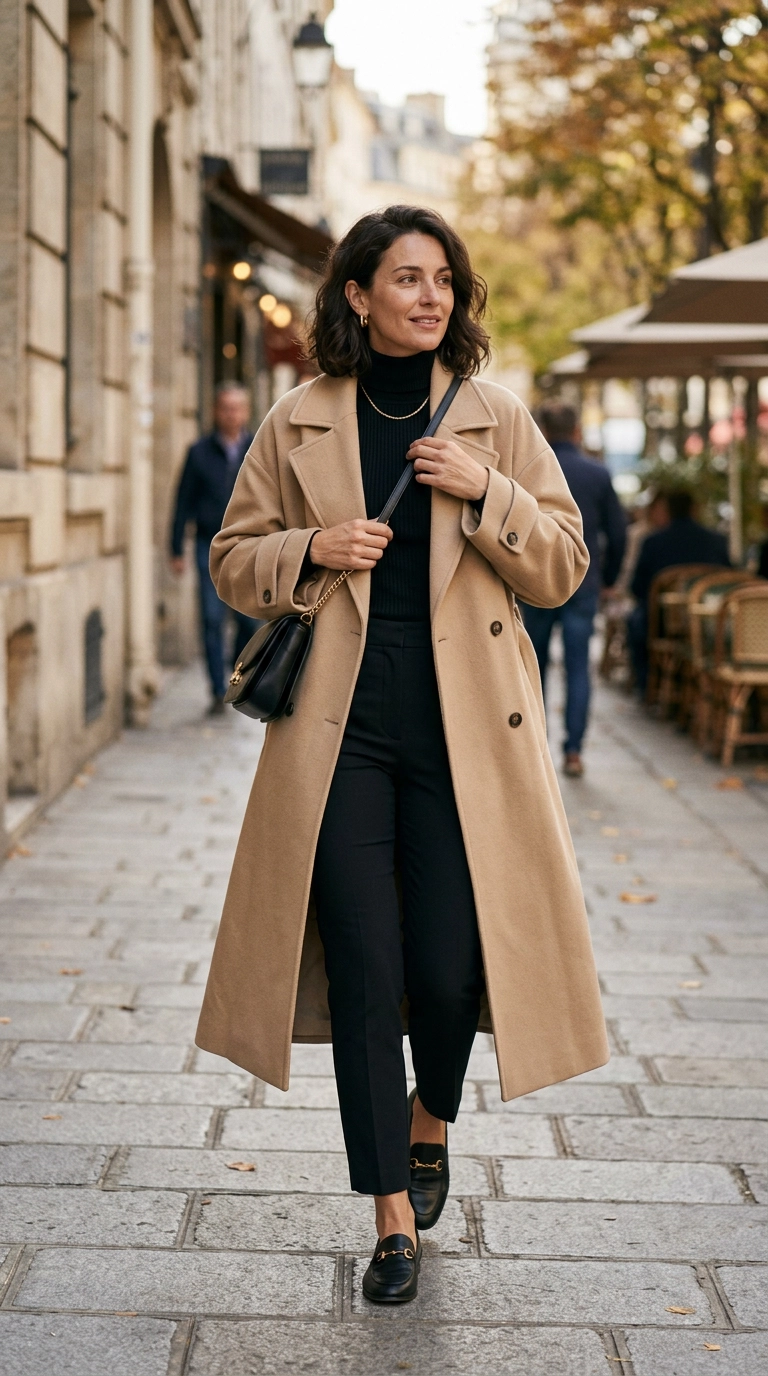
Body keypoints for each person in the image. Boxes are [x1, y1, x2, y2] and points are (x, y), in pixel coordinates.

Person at [194, 205, 608, 1305]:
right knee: (371, 970)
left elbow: (564, 566)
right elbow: (232, 561)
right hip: (341, 737)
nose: (429, 296)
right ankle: (389, 1217)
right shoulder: (298, 418)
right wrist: (308, 548)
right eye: (407, 278)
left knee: (446, 968)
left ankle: (431, 1124)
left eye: (443, 280)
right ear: (359, 295)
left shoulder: (495, 416)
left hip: (470, 735)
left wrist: (489, 495)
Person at [520, 404, 626, 778]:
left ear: (543, 429)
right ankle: (575, 751)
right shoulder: (597, 473)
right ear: (577, 431)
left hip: (534, 581)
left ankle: (537, 750)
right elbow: (617, 532)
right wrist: (608, 578)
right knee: (579, 668)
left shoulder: (529, 468)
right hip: (584, 583)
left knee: (532, 666)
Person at [170, 382, 257, 714]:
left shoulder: (257, 446)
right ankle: (218, 690)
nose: (231, 414)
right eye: (225, 408)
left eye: (237, 408)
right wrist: (176, 547)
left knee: (249, 620)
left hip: (249, 544)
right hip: (208, 544)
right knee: (211, 617)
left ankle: (240, 676)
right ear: (216, 411)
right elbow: (182, 501)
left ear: (246, 412)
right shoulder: (199, 452)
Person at [628, 488, 730, 696]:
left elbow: (637, 587)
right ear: (694, 509)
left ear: (668, 510)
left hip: (662, 623)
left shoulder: (654, 542)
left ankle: (648, 686)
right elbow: (730, 582)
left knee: (635, 621)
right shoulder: (717, 541)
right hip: (711, 626)